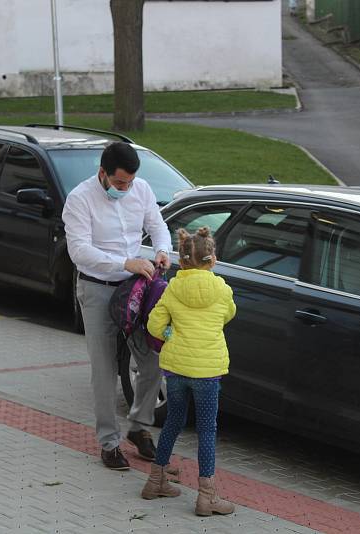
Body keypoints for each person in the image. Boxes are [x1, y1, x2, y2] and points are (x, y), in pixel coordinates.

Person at [62, 141, 172, 470]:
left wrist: (162, 249)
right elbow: (79, 251)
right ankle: (109, 442)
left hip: (135, 289)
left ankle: (139, 428)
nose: (126, 188)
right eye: (120, 183)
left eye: (130, 182)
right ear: (103, 173)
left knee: (151, 361)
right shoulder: (80, 199)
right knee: (105, 370)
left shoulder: (141, 189)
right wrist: (126, 262)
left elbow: (157, 226)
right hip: (97, 289)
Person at [141, 227, 237, 516]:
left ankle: (155, 480)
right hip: (207, 370)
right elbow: (228, 314)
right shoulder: (222, 289)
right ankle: (206, 497)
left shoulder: (173, 289)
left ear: (181, 261)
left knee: (173, 421)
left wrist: (173, 334)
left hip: (177, 369)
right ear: (213, 259)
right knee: (207, 430)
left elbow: (153, 325)